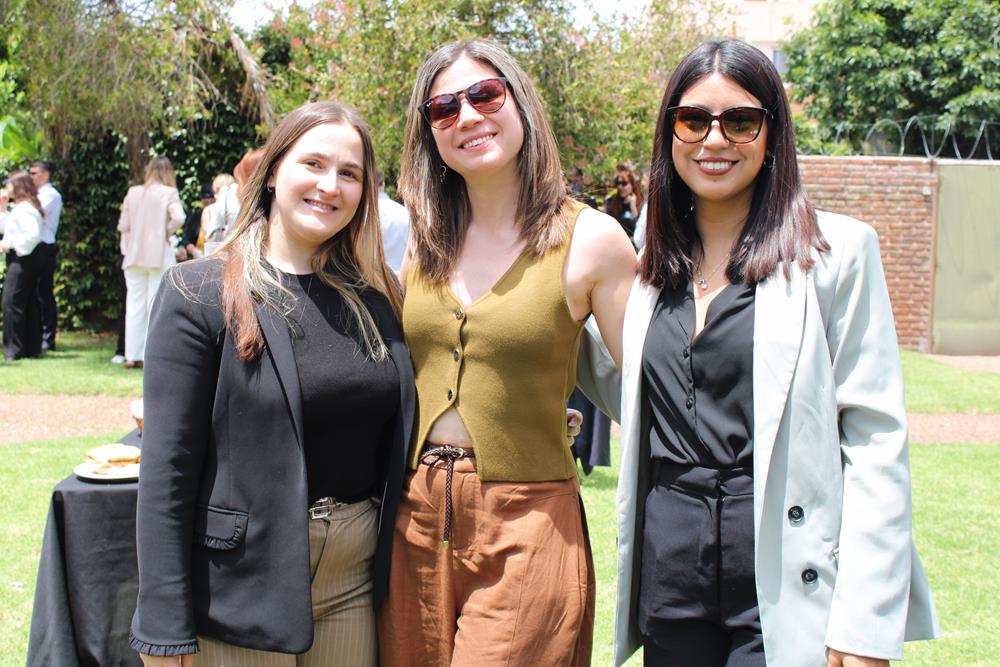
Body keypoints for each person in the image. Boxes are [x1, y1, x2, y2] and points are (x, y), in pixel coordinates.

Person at [576, 39, 939, 667]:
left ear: (772, 133)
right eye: (693, 119)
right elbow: (634, 392)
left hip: (781, 562)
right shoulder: (649, 272)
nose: (714, 140)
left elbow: (876, 442)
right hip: (669, 568)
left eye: (741, 121)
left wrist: (864, 624)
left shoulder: (836, 256)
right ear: (669, 133)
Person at [378, 39, 637, 666]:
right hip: (412, 519)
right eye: (444, 108)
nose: (467, 116)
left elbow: (650, 387)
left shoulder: (591, 239)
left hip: (528, 521)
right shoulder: (418, 240)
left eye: (485, 95)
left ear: (520, 103)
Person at [129, 100, 413, 667]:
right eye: (313, 164)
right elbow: (167, 470)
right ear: (274, 170)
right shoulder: (198, 293)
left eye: (350, 173)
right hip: (238, 587)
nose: (329, 185)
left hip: (354, 583)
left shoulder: (377, 299)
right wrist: (162, 626)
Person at [117, 156, 185, 369]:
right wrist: (165, 232)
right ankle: (151, 355)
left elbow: (123, 225)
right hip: (159, 254)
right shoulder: (169, 192)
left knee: (134, 305)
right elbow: (179, 218)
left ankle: (131, 355)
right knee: (156, 304)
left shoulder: (133, 192)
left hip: (133, 255)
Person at [1, 171, 44, 361]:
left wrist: (12, 246)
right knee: (27, 302)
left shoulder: (25, 208)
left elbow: (32, 235)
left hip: (22, 259)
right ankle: (30, 347)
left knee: (12, 303)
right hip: (23, 258)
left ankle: (14, 349)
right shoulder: (20, 207)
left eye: (9, 184)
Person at [29, 160, 62, 352]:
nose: (31, 177)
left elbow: (36, 213)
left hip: (45, 246)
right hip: (33, 247)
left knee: (44, 293)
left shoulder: (51, 194)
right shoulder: (35, 194)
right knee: (33, 292)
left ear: (46, 175)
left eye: (34, 173)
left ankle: (48, 338)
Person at [375, 170, 409, 273]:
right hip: (402, 277)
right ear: (383, 184)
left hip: (370, 277)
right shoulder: (404, 212)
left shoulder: (361, 214)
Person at [604, 164, 642, 240]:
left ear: (632, 185)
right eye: (618, 183)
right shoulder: (611, 202)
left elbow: (639, 230)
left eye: (624, 183)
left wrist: (633, 207)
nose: (620, 187)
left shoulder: (641, 202)